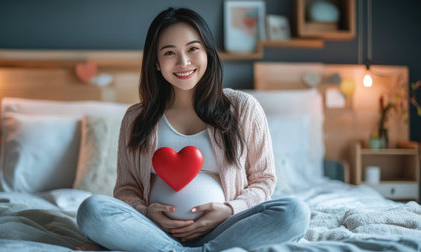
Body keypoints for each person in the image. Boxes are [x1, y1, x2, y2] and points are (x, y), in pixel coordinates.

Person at [77, 7, 310, 252]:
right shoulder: (137, 117)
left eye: (192, 49)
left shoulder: (243, 108)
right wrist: (146, 212)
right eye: (169, 52)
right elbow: (127, 187)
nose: (183, 62)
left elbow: (264, 179)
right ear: (156, 62)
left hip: (226, 227)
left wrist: (228, 210)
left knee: (295, 213)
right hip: (153, 229)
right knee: (92, 211)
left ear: (207, 52)